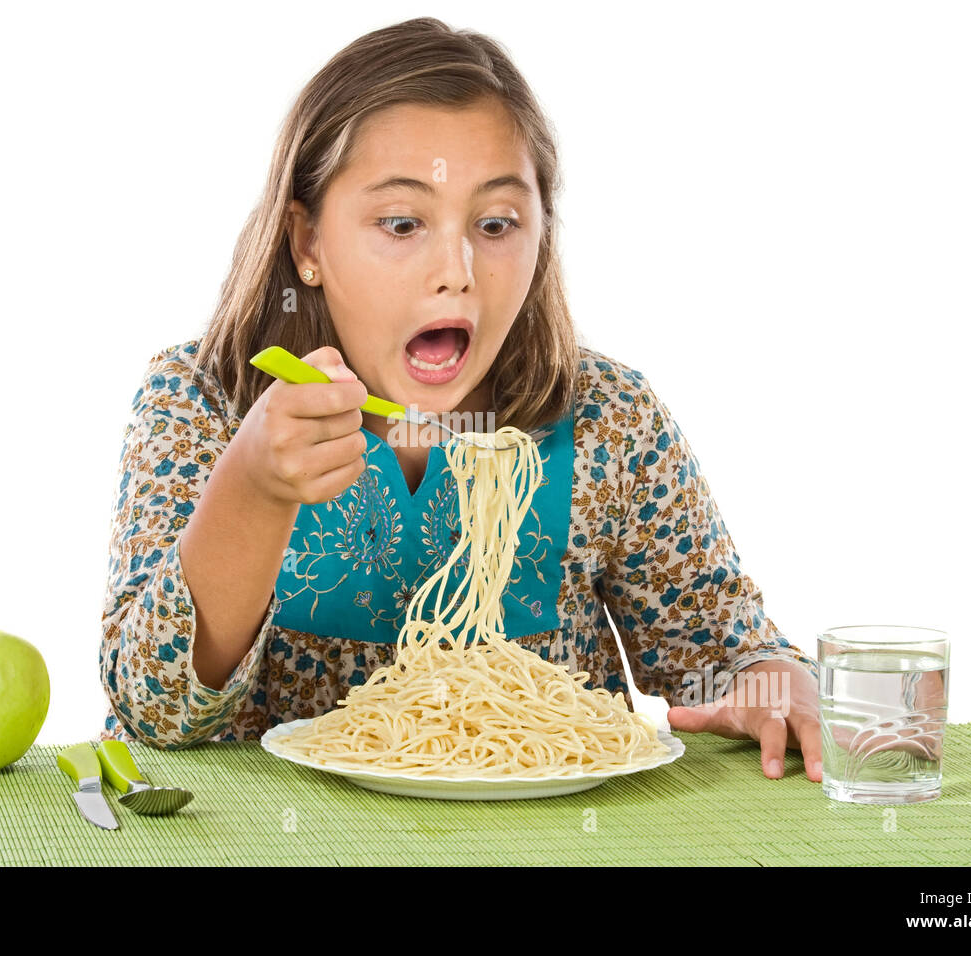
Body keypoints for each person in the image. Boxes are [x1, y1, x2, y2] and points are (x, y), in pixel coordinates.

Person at [98, 17, 824, 783]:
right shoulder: (203, 402)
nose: (457, 270)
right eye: (403, 223)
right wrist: (250, 485)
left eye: (495, 224)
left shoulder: (610, 418)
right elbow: (158, 710)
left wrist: (770, 682)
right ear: (307, 243)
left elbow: (719, 653)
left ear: (544, 231)